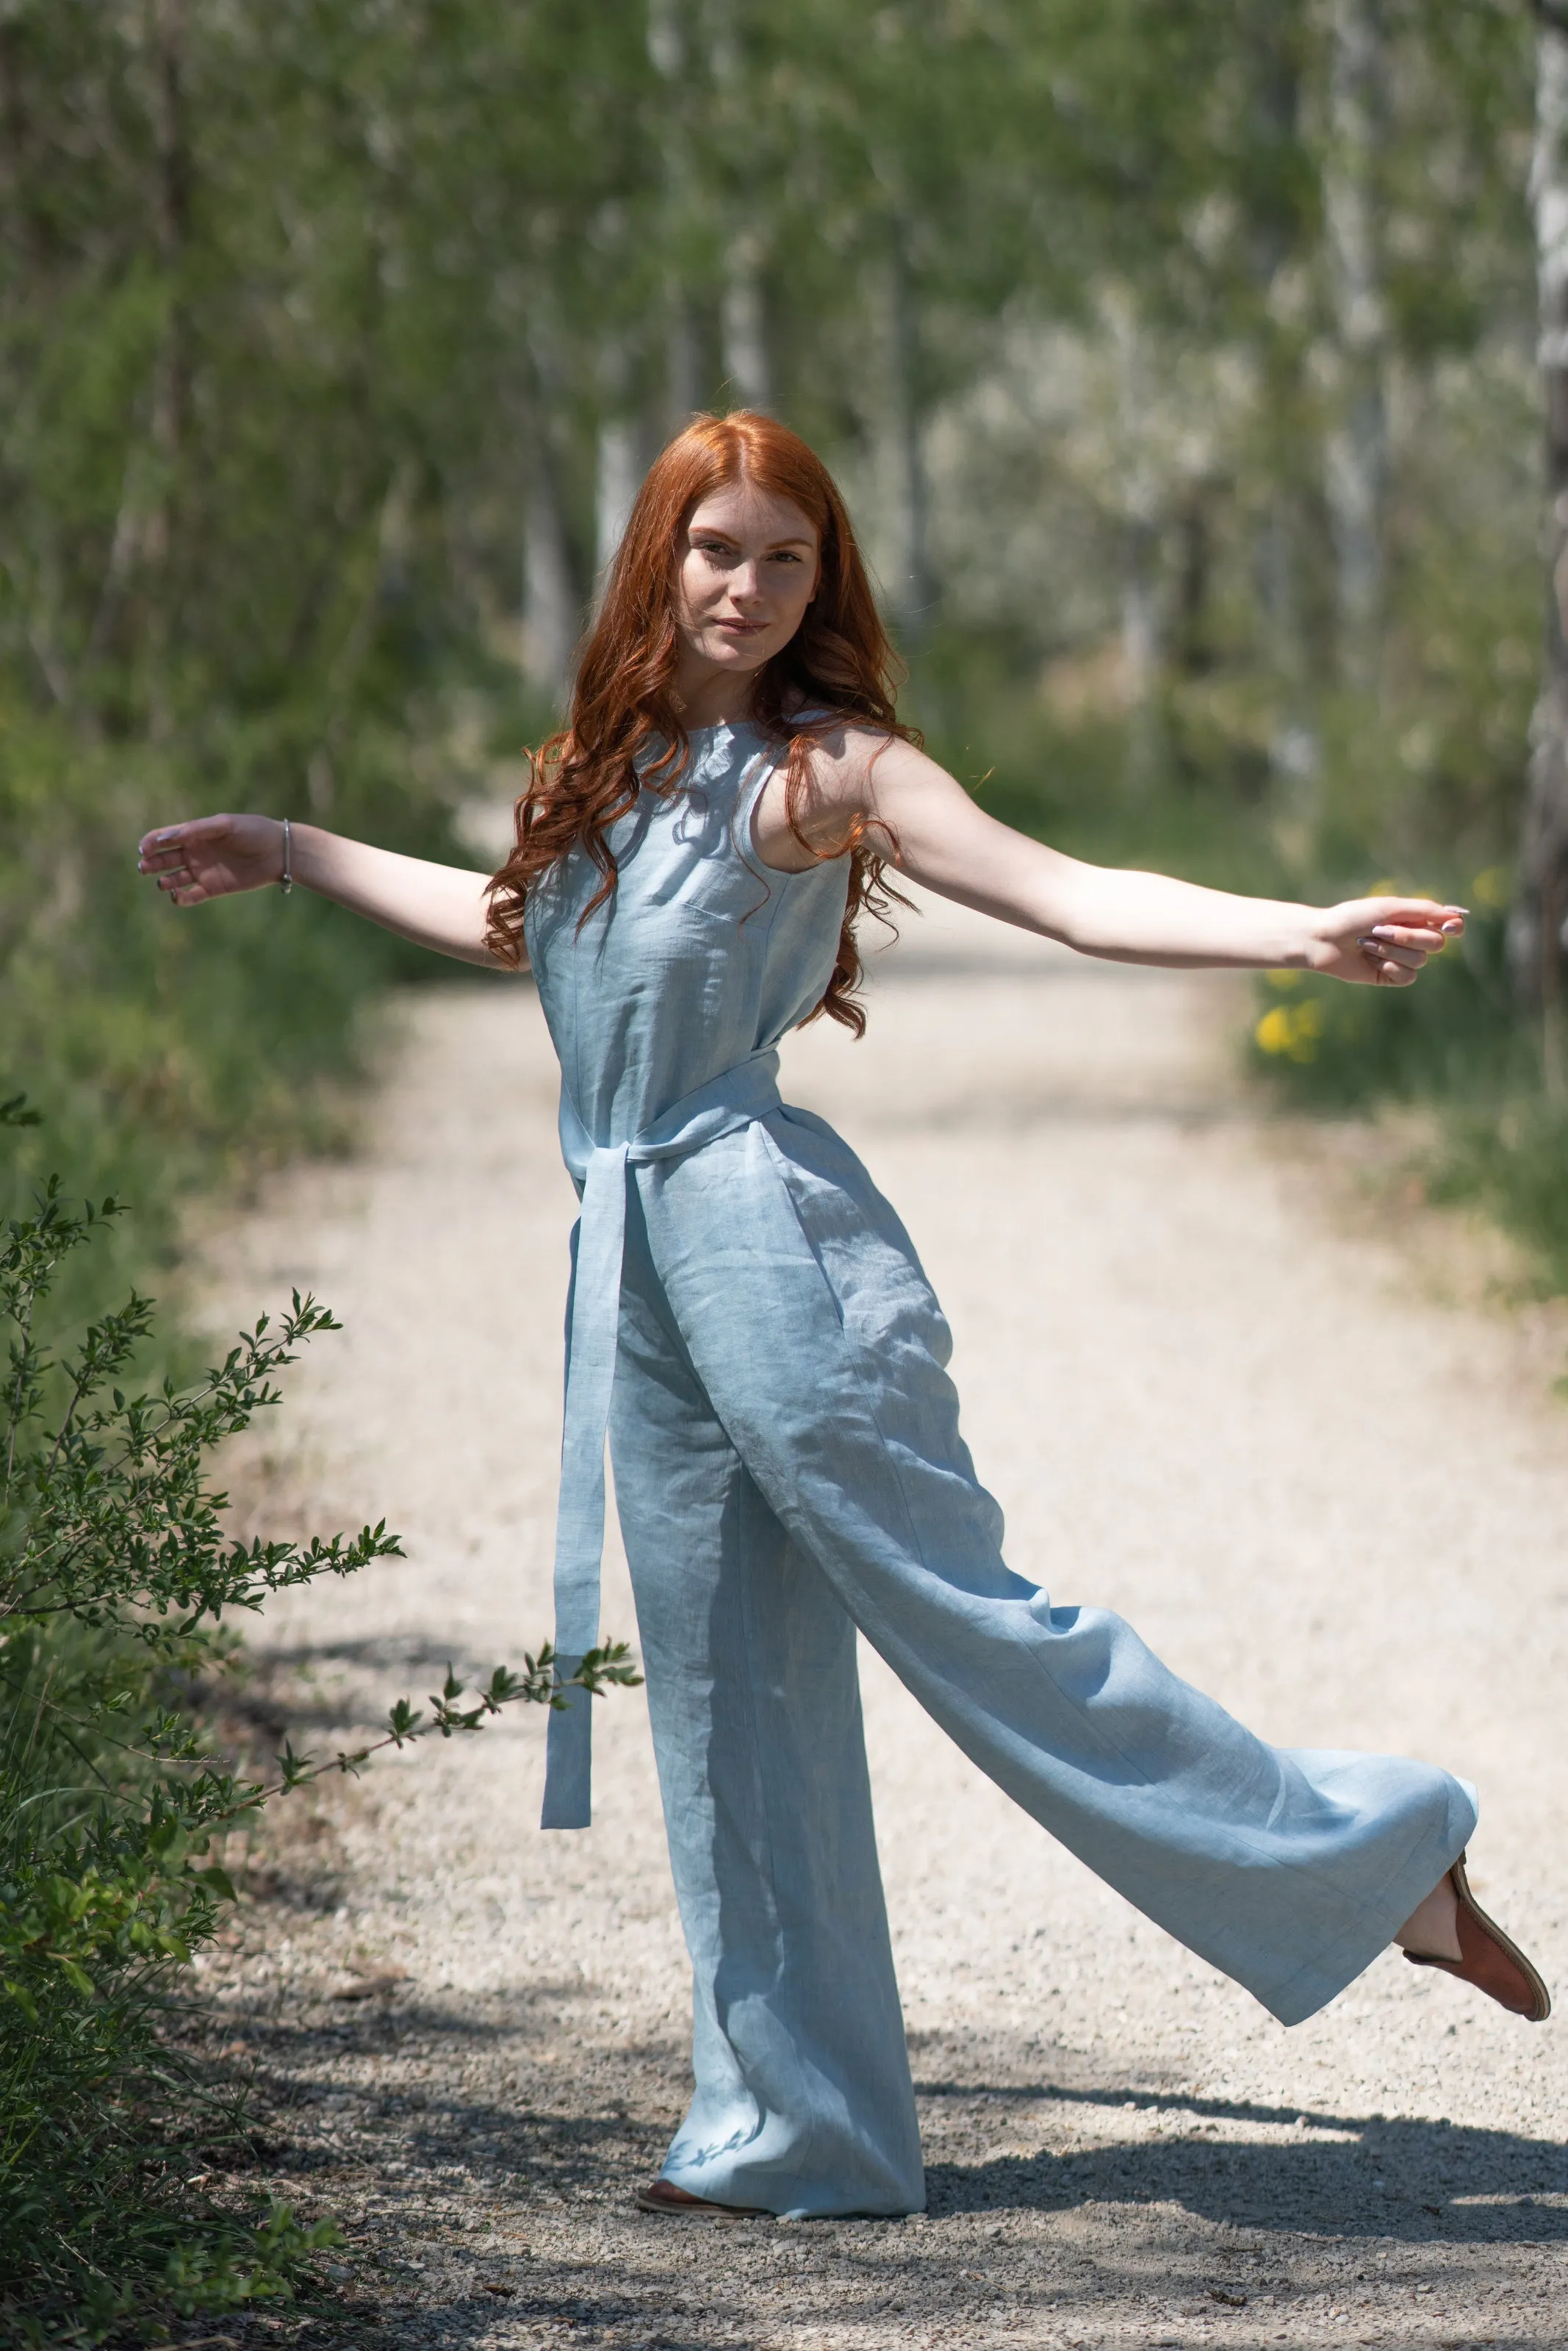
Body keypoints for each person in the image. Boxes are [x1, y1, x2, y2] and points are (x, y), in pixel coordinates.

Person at [139, 409, 1550, 2223]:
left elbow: (1063, 893)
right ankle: (794, 2129)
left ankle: (1374, 1860)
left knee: (967, 1622)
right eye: (715, 550)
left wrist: (1286, 932)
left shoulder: (830, 776)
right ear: (659, 558)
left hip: (769, 1239)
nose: (746, 585)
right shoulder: (601, 769)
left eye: (784, 558)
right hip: (630, 1253)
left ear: (824, 582)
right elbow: (516, 924)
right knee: (722, 1692)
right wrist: (284, 844)